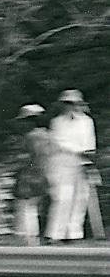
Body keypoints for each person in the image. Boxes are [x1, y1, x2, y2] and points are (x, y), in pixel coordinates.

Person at [45, 89, 96, 243]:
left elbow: (89, 142)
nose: (70, 106)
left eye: (73, 103)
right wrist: (79, 150)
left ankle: (74, 233)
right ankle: (55, 234)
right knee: (62, 198)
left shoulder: (87, 121)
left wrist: (88, 158)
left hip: (81, 162)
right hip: (61, 163)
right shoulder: (57, 122)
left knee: (80, 198)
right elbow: (58, 142)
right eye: (67, 103)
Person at [7, 104, 50, 246]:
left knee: (25, 208)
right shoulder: (47, 136)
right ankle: (32, 239)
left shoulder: (30, 137)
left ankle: (28, 241)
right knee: (32, 208)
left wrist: (13, 168)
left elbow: (25, 159)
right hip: (43, 175)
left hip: (29, 177)